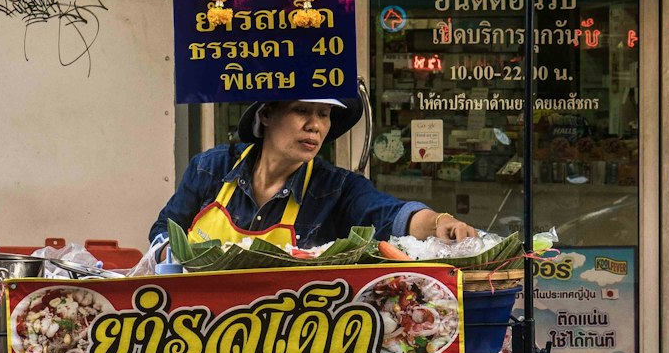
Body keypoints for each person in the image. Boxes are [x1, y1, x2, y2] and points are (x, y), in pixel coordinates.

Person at [151, 97, 478, 252]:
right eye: (302, 111)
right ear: (266, 114)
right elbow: (164, 230)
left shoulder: (336, 188)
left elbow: (390, 214)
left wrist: (439, 223)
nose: (316, 125)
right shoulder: (211, 168)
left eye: (324, 114)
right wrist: (174, 256)